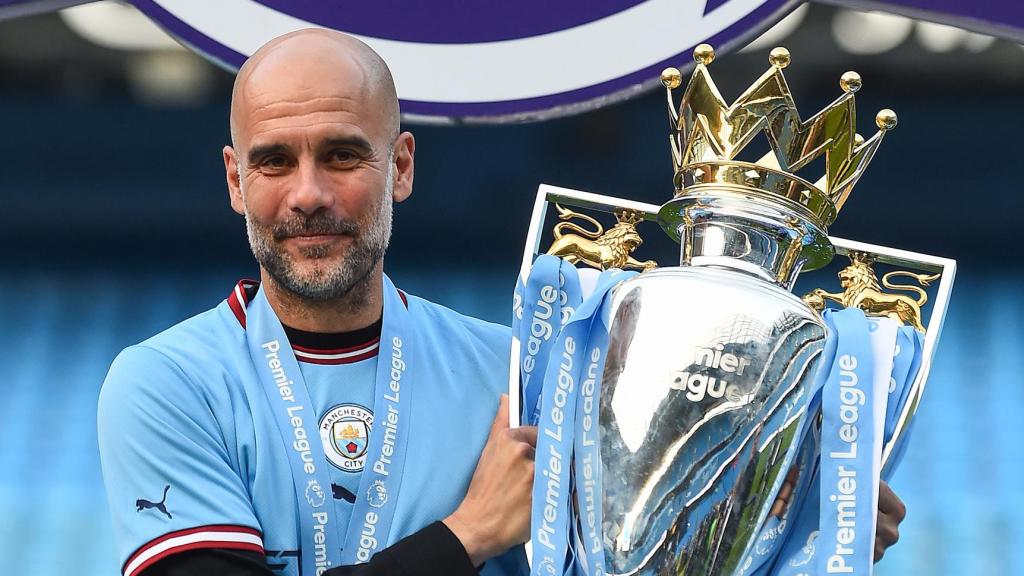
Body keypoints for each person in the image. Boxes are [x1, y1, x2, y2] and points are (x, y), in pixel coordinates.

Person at [97, 29, 904, 576]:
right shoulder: (171, 384)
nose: (308, 194)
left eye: (343, 154)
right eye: (275, 162)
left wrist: (781, 532)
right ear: (237, 180)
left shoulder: (523, 372)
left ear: (401, 167)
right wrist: (468, 536)